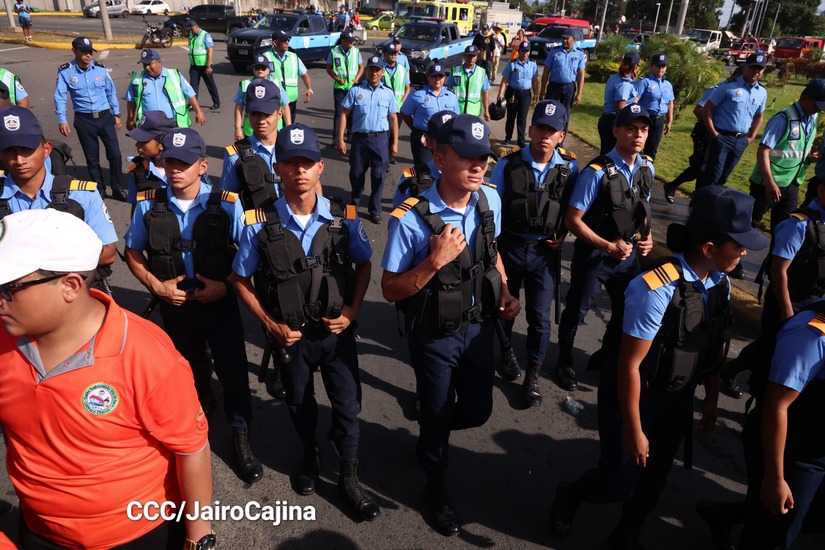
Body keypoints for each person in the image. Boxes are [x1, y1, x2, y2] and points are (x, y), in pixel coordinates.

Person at [549, 186, 768, 550]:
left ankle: (627, 533)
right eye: (738, 245)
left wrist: (711, 400)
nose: (745, 252)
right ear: (709, 249)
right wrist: (634, 430)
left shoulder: (720, 283)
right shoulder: (656, 288)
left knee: (655, 479)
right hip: (636, 396)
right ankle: (571, 494)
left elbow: (714, 347)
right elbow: (629, 364)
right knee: (618, 480)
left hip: (677, 398)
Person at [0, 209, 214, 549]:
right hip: (38, 530)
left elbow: (191, 448)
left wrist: (198, 537)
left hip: (136, 536)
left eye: (9, 288)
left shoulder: (145, 354)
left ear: (70, 286)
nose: (1, 300)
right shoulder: (4, 339)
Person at [230, 123, 380, 522]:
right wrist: (268, 324)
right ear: (277, 168)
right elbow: (241, 279)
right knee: (299, 402)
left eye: (308, 162)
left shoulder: (344, 217)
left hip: (335, 332)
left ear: (320, 168)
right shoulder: (257, 223)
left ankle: (349, 475)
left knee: (348, 405)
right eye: (291, 162)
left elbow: (364, 264)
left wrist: (352, 311)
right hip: (291, 337)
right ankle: (310, 452)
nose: (300, 170)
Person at [382, 114, 521, 536]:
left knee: (478, 411)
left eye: (484, 158)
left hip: (478, 329)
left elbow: (491, 251)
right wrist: (433, 261)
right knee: (439, 415)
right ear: (440, 159)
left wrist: (505, 290)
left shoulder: (489, 200)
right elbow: (390, 289)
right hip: (434, 336)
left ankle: (431, 431)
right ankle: (435, 486)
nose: (478, 166)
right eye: (467, 157)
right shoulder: (409, 218)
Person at [124, 127, 262, 486]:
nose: (175, 169)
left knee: (233, 370)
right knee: (188, 367)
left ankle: (241, 434)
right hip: (176, 306)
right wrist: (156, 286)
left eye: (183, 163)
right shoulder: (148, 203)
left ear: (202, 166)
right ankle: (199, 408)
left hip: (219, 304)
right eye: (169, 161)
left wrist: (225, 285)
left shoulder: (227, 204)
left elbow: (248, 255)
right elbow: (133, 251)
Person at [556, 104, 655, 391]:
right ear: (616, 131)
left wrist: (647, 236)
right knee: (577, 310)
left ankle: (607, 354)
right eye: (631, 129)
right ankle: (564, 359)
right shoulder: (596, 173)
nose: (638, 135)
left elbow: (642, 209)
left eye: (643, 129)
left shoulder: (647, 167)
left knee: (627, 309)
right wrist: (607, 246)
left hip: (627, 255)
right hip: (595, 255)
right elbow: (572, 220)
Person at [491, 100, 579, 405]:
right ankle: (506, 352)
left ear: (561, 136)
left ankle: (533, 376)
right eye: (540, 127)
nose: (545, 134)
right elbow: (493, 205)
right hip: (511, 246)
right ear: (530, 129)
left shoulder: (570, 167)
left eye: (552, 130)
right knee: (505, 307)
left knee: (540, 319)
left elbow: (572, 207)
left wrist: (564, 232)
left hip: (545, 252)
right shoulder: (508, 163)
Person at [737, 297, 825, 549]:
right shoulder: (813, 333)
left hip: (817, 448)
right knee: (774, 532)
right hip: (795, 455)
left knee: (806, 523)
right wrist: (775, 478)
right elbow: (776, 405)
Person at [0, 105, 117, 269]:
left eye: (27, 150)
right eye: (9, 151)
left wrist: (38, 267)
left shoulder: (81, 195)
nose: (19, 160)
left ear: (46, 149)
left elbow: (108, 253)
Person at [55, 36, 126, 201]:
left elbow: (110, 92)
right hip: (84, 120)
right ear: (74, 51)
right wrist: (62, 119)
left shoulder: (100, 69)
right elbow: (60, 96)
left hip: (105, 117)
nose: (88, 55)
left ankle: (117, 187)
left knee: (115, 154)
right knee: (92, 158)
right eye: (84, 52)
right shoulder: (66, 71)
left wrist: (116, 114)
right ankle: (99, 188)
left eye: (90, 52)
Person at [748, 78, 824, 230]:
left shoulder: (812, 118)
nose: (819, 110)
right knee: (749, 222)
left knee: (783, 228)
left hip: (792, 182)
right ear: (805, 98)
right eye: (817, 106)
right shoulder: (783, 119)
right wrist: (769, 183)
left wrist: (811, 153)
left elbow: (798, 146)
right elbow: (763, 151)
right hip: (768, 183)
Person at [663, 66, 745, 204]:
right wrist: (710, 128)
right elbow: (698, 109)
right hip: (704, 132)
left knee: (710, 169)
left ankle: (697, 199)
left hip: (721, 135)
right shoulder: (717, 89)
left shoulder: (740, 93)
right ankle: (672, 186)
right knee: (700, 166)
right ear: (736, 76)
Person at [338, 55, 399, 224]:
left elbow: (393, 118)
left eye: (377, 70)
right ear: (366, 70)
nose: (374, 73)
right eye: (371, 69)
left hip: (380, 139)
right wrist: (340, 139)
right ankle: (355, 202)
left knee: (379, 175)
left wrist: (395, 142)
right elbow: (344, 114)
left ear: (382, 72)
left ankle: (375, 208)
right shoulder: (356, 91)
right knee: (356, 173)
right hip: (359, 139)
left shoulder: (388, 93)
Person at [697, 53, 768, 189]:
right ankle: (700, 201)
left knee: (724, 177)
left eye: (759, 69)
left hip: (741, 140)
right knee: (713, 175)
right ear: (745, 67)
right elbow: (706, 109)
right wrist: (713, 133)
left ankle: (711, 200)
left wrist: (751, 138)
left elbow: (759, 115)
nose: (756, 71)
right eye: (753, 67)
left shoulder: (762, 92)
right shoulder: (729, 87)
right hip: (722, 137)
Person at [223, 78, 286, 207]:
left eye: (267, 114)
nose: (261, 121)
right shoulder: (235, 155)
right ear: (247, 114)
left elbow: (313, 189)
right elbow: (228, 201)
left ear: (279, 114)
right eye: (255, 114)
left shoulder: (293, 149)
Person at [126, 49, 206, 131]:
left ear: (159, 62)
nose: (147, 67)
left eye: (150, 64)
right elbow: (131, 100)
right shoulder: (137, 79)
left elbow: (189, 93)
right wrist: (130, 118)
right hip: (148, 125)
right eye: (144, 64)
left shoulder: (174, 75)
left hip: (172, 124)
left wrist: (198, 112)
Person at [391, 109, 454, 208]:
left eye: (456, 140)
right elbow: (399, 213)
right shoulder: (412, 178)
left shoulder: (473, 177)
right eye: (443, 140)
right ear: (428, 142)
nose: (451, 145)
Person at [400, 63, 460, 166]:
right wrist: (415, 129)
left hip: (444, 140)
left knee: (444, 168)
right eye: (434, 76)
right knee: (424, 169)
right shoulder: (418, 94)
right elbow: (405, 112)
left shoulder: (451, 95)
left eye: (440, 76)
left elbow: (456, 118)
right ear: (428, 77)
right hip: (424, 139)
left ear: (444, 78)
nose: (437, 79)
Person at [233, 55, 290, 141]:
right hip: (251, 130)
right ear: (253, 69)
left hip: (274, 131)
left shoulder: (277, 84)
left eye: (263, 68)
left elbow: (285, 107)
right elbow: (239, 108)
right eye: (257, 68)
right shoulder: (245, 85)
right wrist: (238, 128)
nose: (260, 70)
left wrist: (288, 127)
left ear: (268, 70)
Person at [125, 110, 176, 206]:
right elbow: (136, 208)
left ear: (162, 143)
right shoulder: (138, 172)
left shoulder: (186, 167)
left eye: (143, 141)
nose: (137, 145)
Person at [540, 28, 586, 130]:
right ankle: (549, 134)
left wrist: (579, 94)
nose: (564, 41)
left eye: (567, 39)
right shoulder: (554, 52)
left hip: (569, 87)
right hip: (554, 87)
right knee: (550, 112)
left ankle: (561, 136)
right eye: (563, 38)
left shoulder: (579, 54)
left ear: (573, 39)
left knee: (565, 114)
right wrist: (542, 90)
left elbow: (581, 74)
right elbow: (546, 71)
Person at [496, 41, 539, 148]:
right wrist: (500, 93)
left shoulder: (533, 64)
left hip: (525, 94)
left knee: (522, 118)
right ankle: (508, 137)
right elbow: (505, 79)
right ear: (518, 51)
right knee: (511, 116)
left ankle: (521, 140)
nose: (525, 53)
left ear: (529, 52)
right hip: (513, 93)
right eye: (523, 51)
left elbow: (534, 80)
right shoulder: (512, 63)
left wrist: (536, 94)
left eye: (527, 51)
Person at [265, 30, 313, 123]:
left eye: (288, 40)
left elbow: (304, 75)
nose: (287, 42)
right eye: (284, 41)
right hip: (273, 102)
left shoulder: (294, 57)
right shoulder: (266, 57)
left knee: (289, 128)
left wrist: (309, 89)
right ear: (275, 43)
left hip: (291, 102)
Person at [633, 53, 674, 161]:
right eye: (658, 66)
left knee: (652, 150)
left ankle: (647, 170)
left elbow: (670, 103)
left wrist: (669, 121)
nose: (660, 69)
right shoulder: (644, 82)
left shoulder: (668, 85)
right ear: (652, 66)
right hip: (645, 118)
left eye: (663, 66)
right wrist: (635, 118)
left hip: (659, 120)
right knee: (637, 146)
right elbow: (634, 101)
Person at [326, 30, 363, 146]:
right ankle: (336, 137)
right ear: (342, 41)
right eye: (349, 41)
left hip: (352, 87)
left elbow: (361, 67)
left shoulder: (356, 51)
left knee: (352, 112)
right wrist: (336, 78)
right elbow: (328, 68)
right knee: (339, 112)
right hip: (340, 87)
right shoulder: (334, 51)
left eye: (352, 41)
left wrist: (356, 78)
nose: (351, 43)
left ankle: (350, 136)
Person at [598, 51, 640, 155]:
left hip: (606, 120)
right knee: (612, 156)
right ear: (635, 67)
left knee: (607, 154)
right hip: (614, 122)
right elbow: (620, 109)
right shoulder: (624, 84)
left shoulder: (614, 77)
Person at [186, 20, 220, 111]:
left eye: (191, 29)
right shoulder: (191, 36)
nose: (190, 31)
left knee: (210, 85)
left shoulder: (205, 35)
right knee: (193, 86)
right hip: (194, 66)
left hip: (205, 66)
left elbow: (210, 51)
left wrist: (208, 66)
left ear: (196, 26)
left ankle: (216, 102)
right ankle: (193, 104)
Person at [449, 45, 491, 119]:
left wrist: (486, 110)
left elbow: (485, 93)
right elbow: (448, 90)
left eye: (473, 56)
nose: (471, 58)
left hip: (473, 113)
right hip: (457, 112)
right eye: (469, 55)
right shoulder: (455, 71)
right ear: (464, 56)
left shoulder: (481, 72)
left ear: (477, 57)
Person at [381, 42, 410, 112]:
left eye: (395, 53)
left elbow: (407, 88)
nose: (393, 55)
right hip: (383, 107)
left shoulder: (402, 69)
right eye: (391, 53)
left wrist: (401, 103)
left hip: (399, 108)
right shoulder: (380, 69)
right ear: (384, 55)